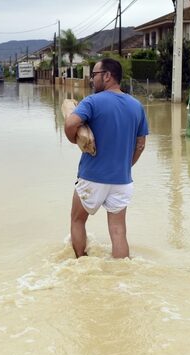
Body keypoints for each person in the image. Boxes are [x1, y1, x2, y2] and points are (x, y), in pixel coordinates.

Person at [64, 58, 148, 259]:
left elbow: (70, 124)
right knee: (118, 231)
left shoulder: (93, 101)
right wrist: (124, 167)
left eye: (94, 75)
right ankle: (121, 276)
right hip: (122, 180)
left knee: (77, 220)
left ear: (107, 76)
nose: (92, 80)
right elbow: (141, 145)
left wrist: (73, 139)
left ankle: (81, 264)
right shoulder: (137, 106)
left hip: (92, 177)